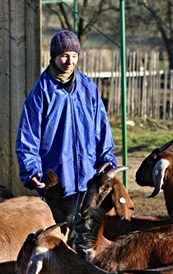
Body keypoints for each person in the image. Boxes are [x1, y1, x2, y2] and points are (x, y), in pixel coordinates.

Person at [15, 30, 117, 230]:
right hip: (59, 182)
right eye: (64, 55)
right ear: (53, 57)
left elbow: (101, 127)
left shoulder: (88, 87)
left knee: (88, 238)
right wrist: (32, 170)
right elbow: (28, 137)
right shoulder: (41, 92)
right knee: (62, 238)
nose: (69, 61)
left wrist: (107, 158)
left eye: (74, 56)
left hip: (89, 179)